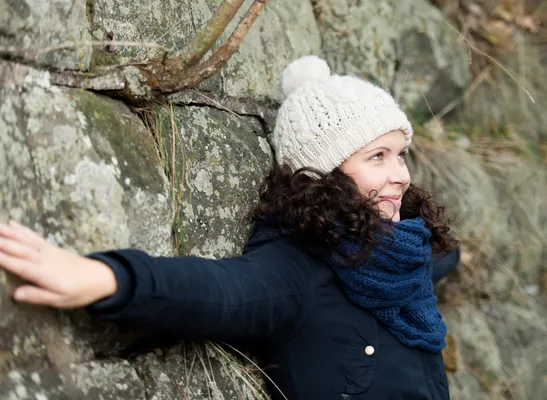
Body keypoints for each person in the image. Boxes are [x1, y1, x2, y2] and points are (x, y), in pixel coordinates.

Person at [0, 55, 460, 399]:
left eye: (400, 154)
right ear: (325, 173)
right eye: (377, 156)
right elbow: (220, 290)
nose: (401, 174)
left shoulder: (406, 252)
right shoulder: (298, 272)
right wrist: (104, 278)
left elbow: (441, 257)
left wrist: (454, 252)